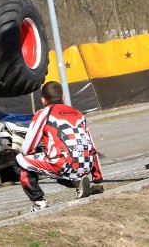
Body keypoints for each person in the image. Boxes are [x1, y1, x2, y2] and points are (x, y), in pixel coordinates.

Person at [16, 81, 104, 212]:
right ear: (63, 97)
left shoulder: (43, 114)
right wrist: (98, 179)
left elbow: (27, 148)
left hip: (63, 164)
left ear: (43, 100)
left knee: (20, 161)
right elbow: (92, 146)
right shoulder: (78, 113)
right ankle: (78, 181)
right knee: (61, 159)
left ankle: (39, 202)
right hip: (86, 165)